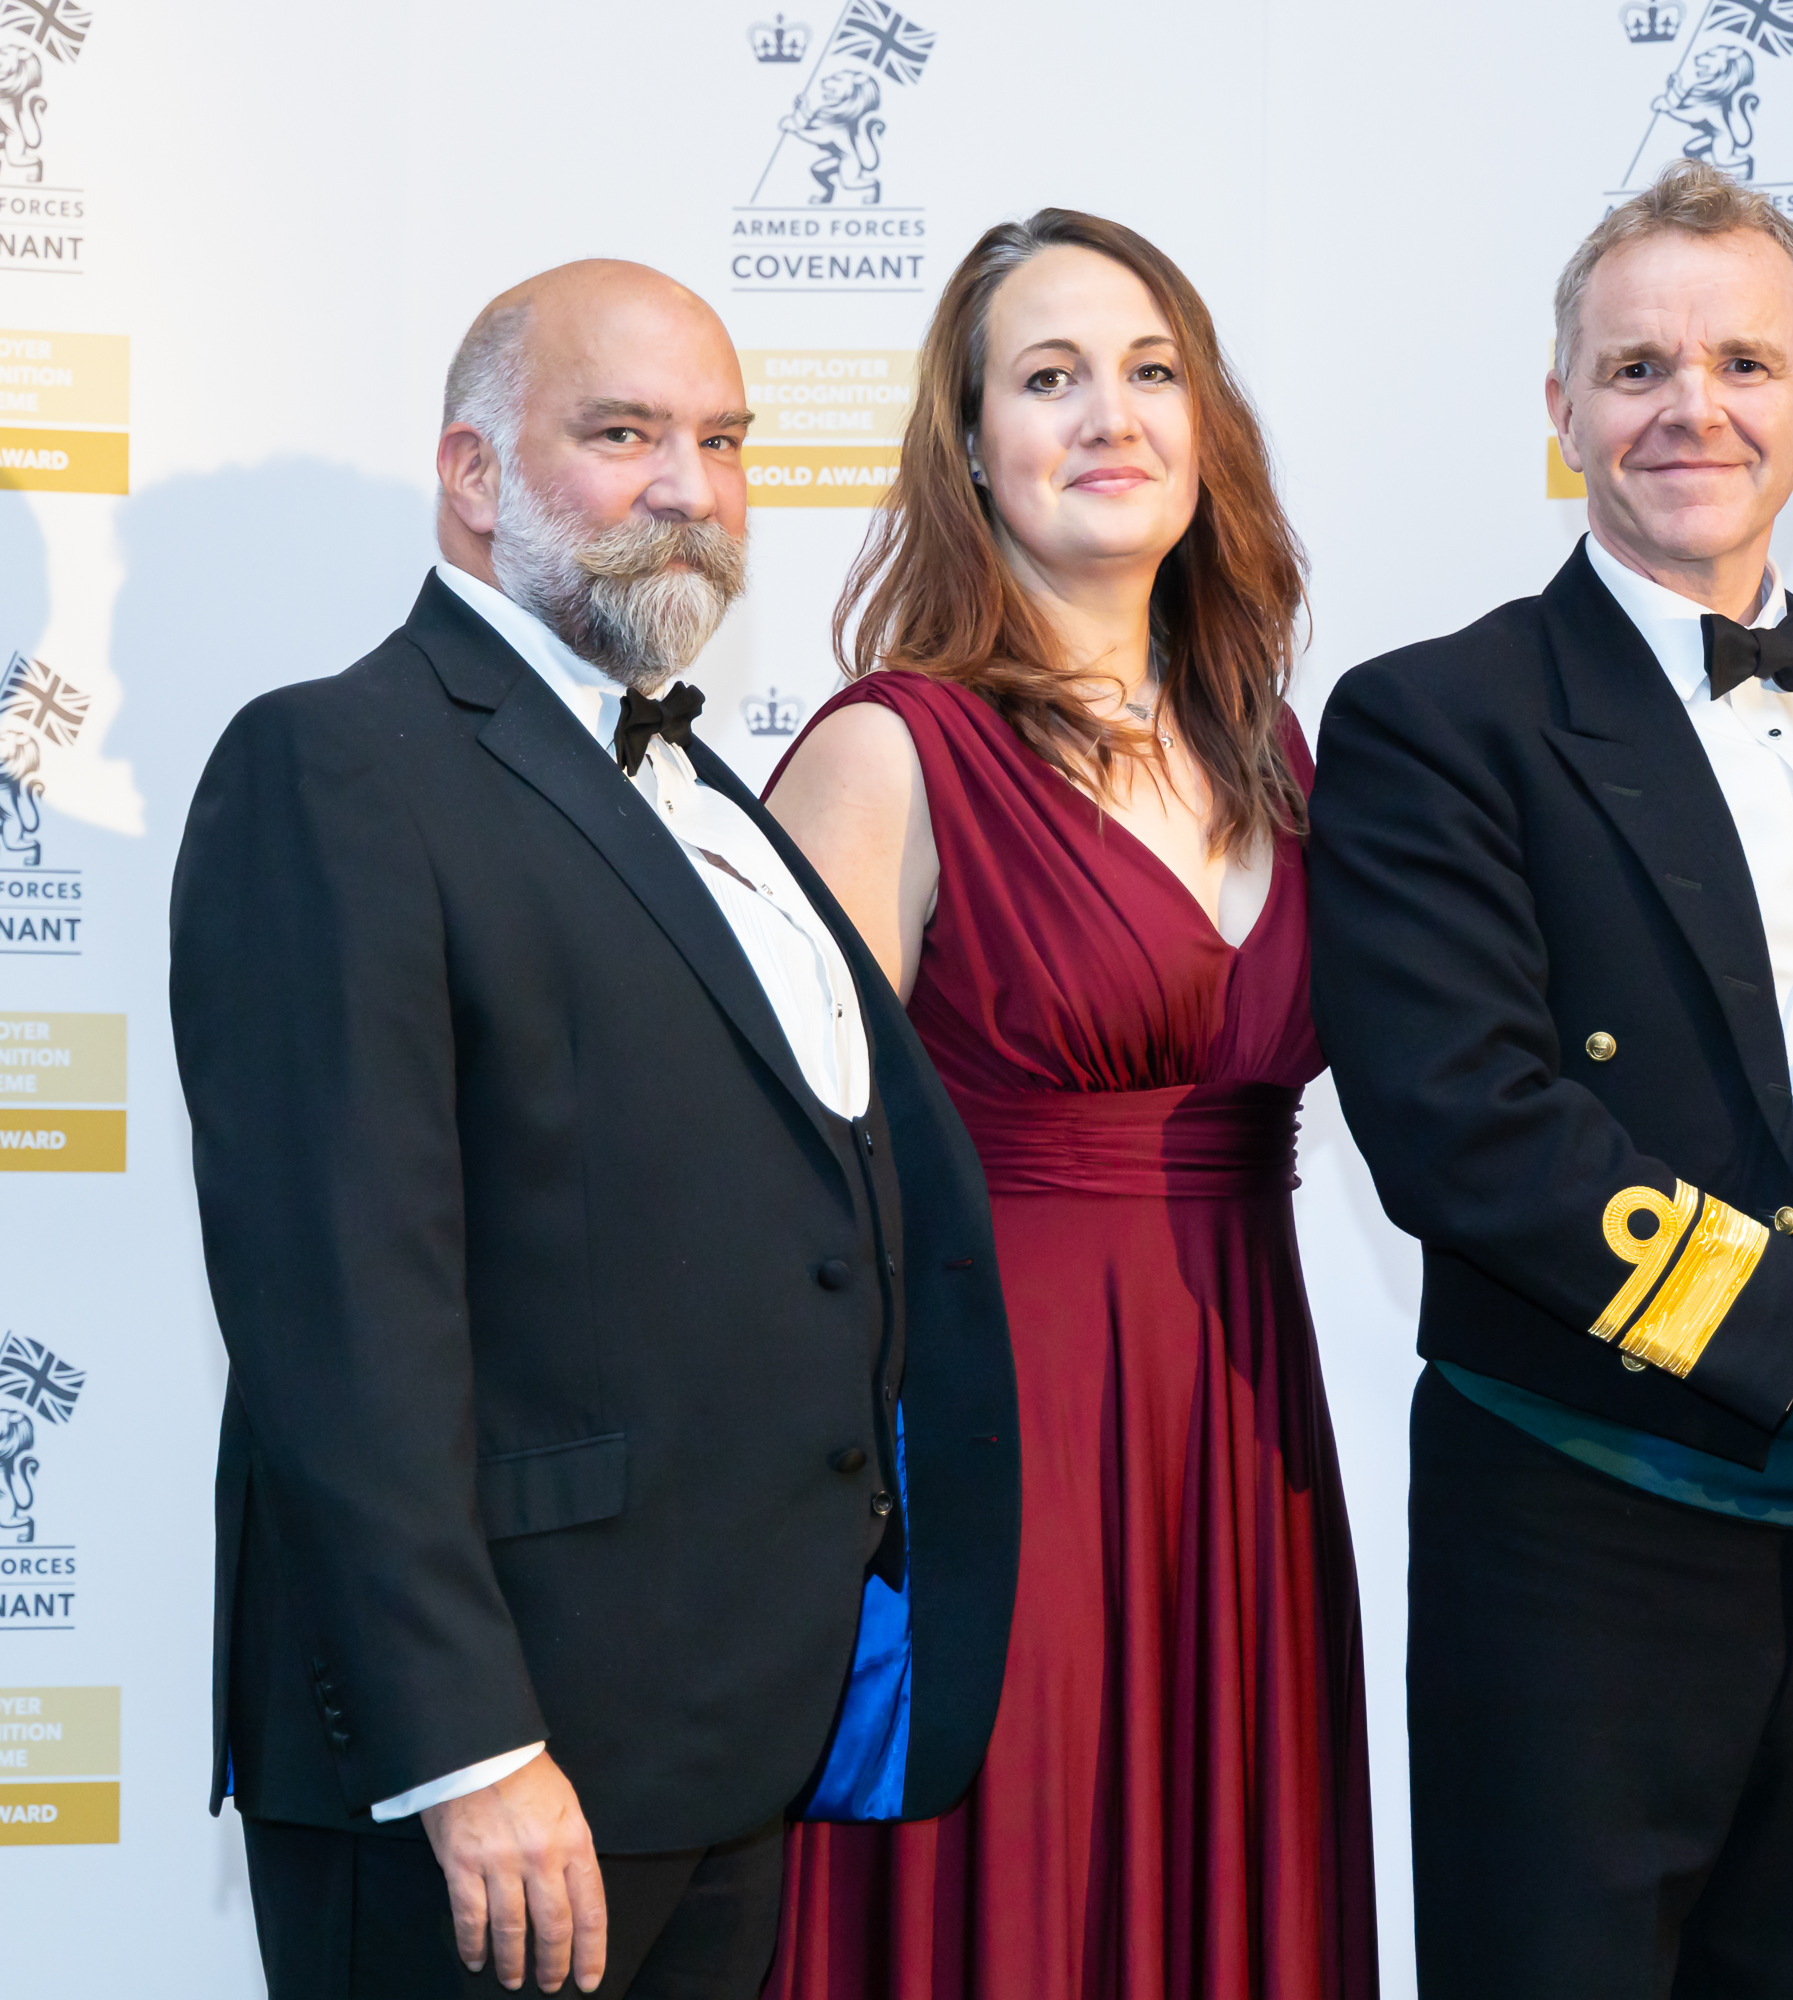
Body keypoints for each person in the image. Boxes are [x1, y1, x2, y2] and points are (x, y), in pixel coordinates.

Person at [168, 260, 1019, 1998]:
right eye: (623, 434)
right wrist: (468, 1749)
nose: (690, 487)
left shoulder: (706, 795)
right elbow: (339, 1311)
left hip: (721, 1740)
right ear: (473, 474)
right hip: (497, 1774)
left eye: (725, 440)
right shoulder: (334, 766)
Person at [1308, 161, 1793, 1997]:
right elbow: (1468, 1132)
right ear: (1561, 409)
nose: (1691, 408)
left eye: (1744, 364)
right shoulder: (1430, 718)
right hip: (1572, 1526)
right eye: (1637, 369)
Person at [758, 210, 1377, 2000]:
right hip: (989, 1452)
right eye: (1048, 377)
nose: (1111, 413)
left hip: (1244, 1439)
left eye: (1151, 369)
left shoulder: (1275, 747)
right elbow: (778, 1194)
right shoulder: (890, 749)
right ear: (969, 448)